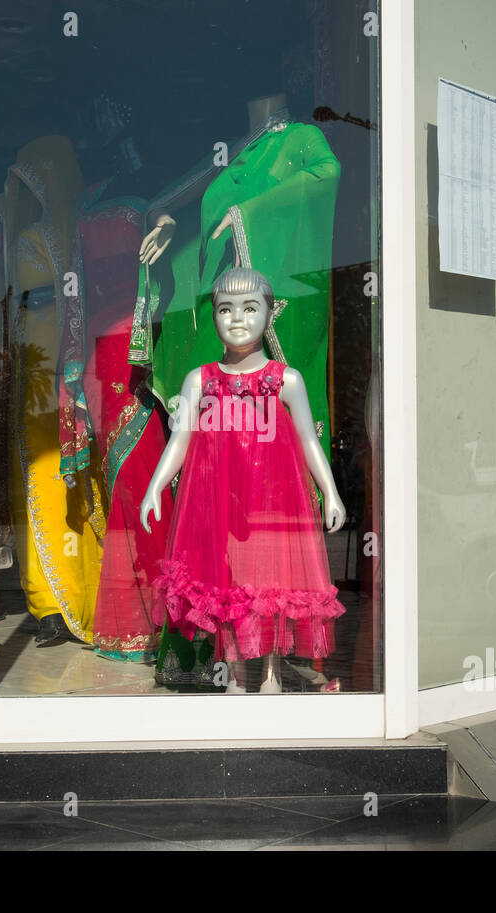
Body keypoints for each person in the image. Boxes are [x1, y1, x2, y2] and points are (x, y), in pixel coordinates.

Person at [139, 267, 345, 693]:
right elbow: (179, 441)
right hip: (219, 502)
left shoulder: (286, 380)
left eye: (250, 308)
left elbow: (309, 441)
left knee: (270, 582)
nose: (237, 318)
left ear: (270, 315)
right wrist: (155, 485)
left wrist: (330, 491)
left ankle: (269, 673)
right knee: (227, 584)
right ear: (213, 315)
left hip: (273, 501)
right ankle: (232, 673)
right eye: (225, 309)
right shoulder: (200, 380)